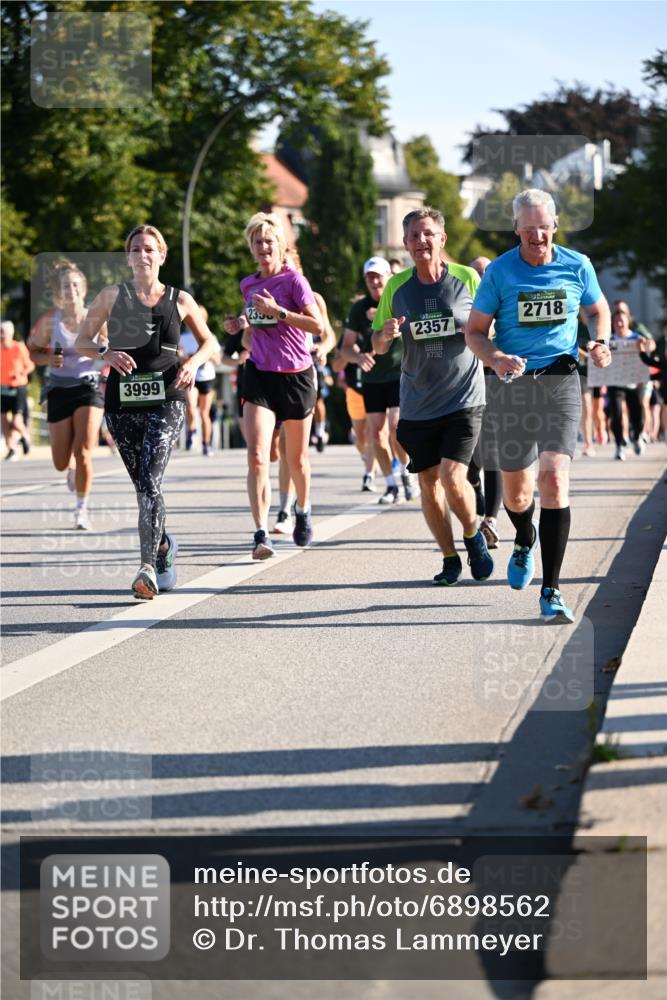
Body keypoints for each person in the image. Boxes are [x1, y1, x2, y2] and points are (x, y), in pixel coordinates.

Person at [466, 188, 612, 623]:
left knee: (552, 477)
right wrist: (494, 357)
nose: (537, 236)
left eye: (543, 227)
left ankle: (551, 590)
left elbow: (597, 309)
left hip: (560, 379)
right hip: (511, 386)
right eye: (527, 229)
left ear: (555, 225)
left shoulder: (576, 265)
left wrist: (599, 341)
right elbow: (474, 332)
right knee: (517, 493)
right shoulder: (500, 272)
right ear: (516, 229)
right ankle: (524, 537)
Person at [76, 224, 217, 599]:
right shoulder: (110, 296)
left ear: (162, 255)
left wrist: (193, 364)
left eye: (150, 249)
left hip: (168, 396)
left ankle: (147, 569)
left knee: (151, 480)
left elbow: (210, 341)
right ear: (128, 257)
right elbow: (82, 341)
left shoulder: (179, 299)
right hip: (123, 402)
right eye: (136, 249)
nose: (143, 255)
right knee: (144, 487)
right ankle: (164, 546)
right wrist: (106, 353)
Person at [372, 207, 494, 586]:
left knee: (452, 476)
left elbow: (489, 327)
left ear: (441, 239)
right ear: (406, 244)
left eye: (428, 234)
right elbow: (376, 344)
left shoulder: (467, 278)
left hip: (464, 395)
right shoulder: (396, 288)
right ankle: (449, 557)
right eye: (414, 236)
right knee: (428, 482)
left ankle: (472, 534)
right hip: (418, 400)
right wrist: (386, 333)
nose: (421, 241)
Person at [226, 212, 323, 559]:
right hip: (259, 375)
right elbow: (254, 327)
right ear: (251, 248)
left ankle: (304, 508)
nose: (264, 247)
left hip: (296, 376)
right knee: (257, 456)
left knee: (296, 460)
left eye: (269, 241)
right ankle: (260, 533)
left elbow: (317, 327)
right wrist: (240, 324)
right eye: (257, 242)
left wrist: (279, 310)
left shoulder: (294, 282)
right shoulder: (248, 284)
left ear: (280, 245)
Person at [28, 261, 104, 529]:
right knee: (61, 462)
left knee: (84, 450)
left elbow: (111, 349)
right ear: (59, 293)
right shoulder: (51, 322)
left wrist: (103, 351)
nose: (70, 289)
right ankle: (70, 470)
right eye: (65, 286)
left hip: (88, 387)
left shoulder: (95, 318)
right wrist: (48, 360)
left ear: (83, 290)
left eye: (75, 285)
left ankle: (81, 509)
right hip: (59, 389)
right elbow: (33, 352)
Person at [340, 257, 418, 504]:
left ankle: (407, 474)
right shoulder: (358, 309)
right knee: (376, 434)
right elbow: (345, 347)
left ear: (388, 277)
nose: (374, 282)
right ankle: (391, 484)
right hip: (373, 378)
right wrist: (358, 356)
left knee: (396, 427)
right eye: (369, 277)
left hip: (399, 373)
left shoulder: (402, 300)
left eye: (378, 276)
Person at [467, 254, 502, 547]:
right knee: (468, 461)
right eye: (476, 271)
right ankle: (477, 494)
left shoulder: (504, 302)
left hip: (496, 384)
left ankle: (490, 520)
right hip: (465, 387)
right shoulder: (464, 304)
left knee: (493, 454)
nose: (482, 275)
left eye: (486, 271)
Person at [606, 306, 648, 460]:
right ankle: (619, 445)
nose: (619, 324)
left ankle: (637, 436)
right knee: (616, 414)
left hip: (633, 382)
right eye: (616, 321)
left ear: (628, 322)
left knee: (638, 414)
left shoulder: (636, 338)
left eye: (621, 321)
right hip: (615, 383)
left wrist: (645, 345)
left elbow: (651, 348)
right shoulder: (609, 340)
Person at [179, 305, 221, 456]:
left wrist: (203, 355)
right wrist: (187, 357)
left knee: (204, 413)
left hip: (207, 378)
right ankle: (192, 432)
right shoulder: (183, 337)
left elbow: (217, 360)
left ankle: (206, 443)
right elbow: (179, 357)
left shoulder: (210, 337)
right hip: (191, 376)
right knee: (190, 405)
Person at [1, 320, 34, 461]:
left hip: (18, 387)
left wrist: (20, 373)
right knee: (3, 421)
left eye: (4, 332)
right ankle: (12, 449)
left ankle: (25, 436)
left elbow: (30, 365)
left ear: (11, 334)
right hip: (2, 389)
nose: (1, 336)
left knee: (16, 421)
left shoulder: (18, 347)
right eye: (0, 332)